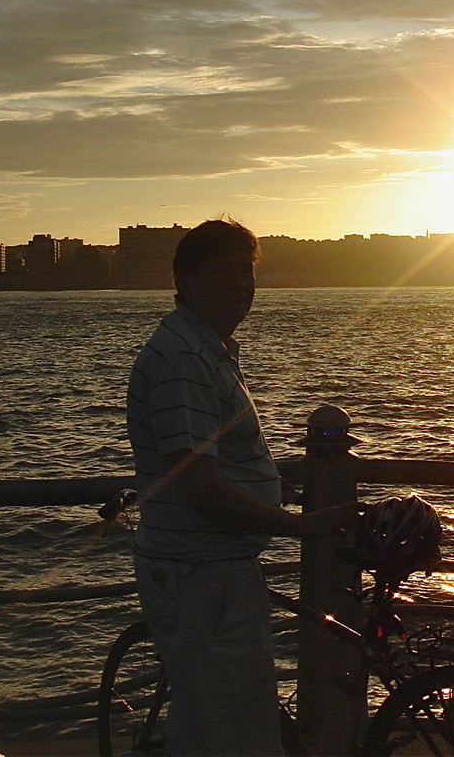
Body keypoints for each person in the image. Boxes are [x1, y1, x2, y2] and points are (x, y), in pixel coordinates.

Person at [126, 218, 362, 756]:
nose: (238, 285)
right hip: (199, 573)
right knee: (231, 731)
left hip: (215, 567)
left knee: (217, 722)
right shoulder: (183, 358)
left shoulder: (206, 349)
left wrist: (274, 489)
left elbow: (216, 463)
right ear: (184, 281)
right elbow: (196, 480)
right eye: (221, 272)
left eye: (246, 271)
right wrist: (296, 526)